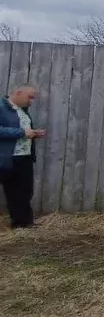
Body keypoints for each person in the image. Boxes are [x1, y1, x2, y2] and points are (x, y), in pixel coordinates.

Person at [1, 85, 45, 229]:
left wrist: (33, 133)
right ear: (18, 93)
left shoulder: (23, 111)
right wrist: (21, 133)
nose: (32, 101)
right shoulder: (2, 107)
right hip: (6, 158)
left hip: (24, 157)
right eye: (30, 97)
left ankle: (23, 223)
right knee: (13, 190)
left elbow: (23, 132)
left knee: (24, 191)